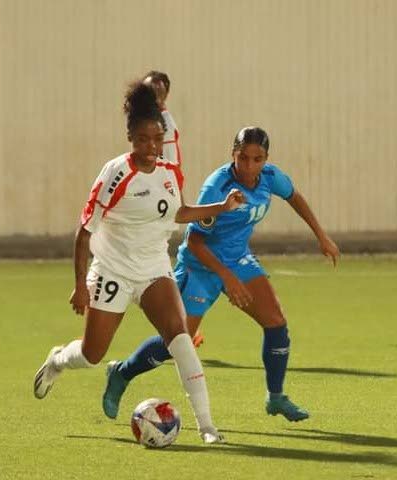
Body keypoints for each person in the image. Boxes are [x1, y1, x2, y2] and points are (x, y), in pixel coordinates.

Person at [33, 79, 245, 444]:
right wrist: (80, 286)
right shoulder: (115, 173)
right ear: (130, 137)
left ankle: (208, 427)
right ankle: (57, 361)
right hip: (113, 269)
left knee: (181, 338)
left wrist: (221, 207)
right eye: (143, 139)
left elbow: (178, 213)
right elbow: (84, 233)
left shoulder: (168, 172)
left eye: (156, 139)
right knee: (92, 354)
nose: (151, 147)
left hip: (153, 269)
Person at [103, 126, 340, 422]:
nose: (250, 166)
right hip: (200, 265)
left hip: (238, 258)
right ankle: (121, 372)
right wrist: (227, 277)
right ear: (233, 154)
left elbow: (294, 197)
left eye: (258, 159)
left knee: (276, 321)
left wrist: (321, 235)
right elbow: (195, 241)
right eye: (243, 158)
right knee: (175, 343)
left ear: (266, 158)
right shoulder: (218, 186)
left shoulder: (270, 177)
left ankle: (276, 397)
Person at [143, 70, 205, 347]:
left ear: (166, 93)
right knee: (156, 267)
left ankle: (180, 328)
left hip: (163, 197)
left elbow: (169, 162)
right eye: (149, 90)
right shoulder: (151, 121)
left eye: (157, 90)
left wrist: (175, 194)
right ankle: (180, 328)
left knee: (157, 265)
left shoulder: (163, 120)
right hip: (153, 197)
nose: (153, 95)